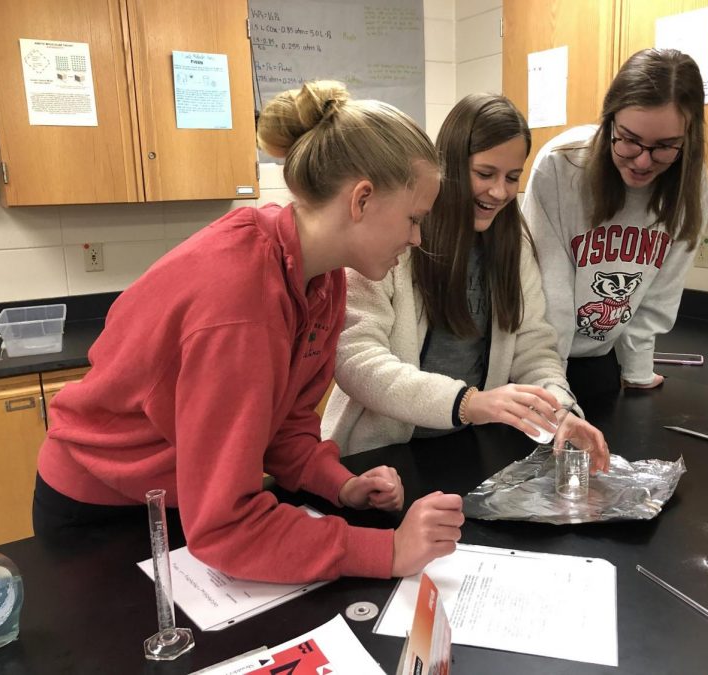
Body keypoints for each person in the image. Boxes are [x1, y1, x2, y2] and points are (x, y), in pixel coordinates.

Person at [33, 80, 465, 584]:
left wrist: (338, 484)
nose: (416, 238)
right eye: (414, 219)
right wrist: (388, 551)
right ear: (361, 199)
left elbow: (284, 421)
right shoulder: (239, 301)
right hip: (104, 511)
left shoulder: (320, 276)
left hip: (184, 498)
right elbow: (225, 527)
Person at [322, 92, 609, 471]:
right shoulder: (394, 234)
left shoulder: (513, 242)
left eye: (512, 177)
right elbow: (359, 361)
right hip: (379, 457)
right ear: (452, 164)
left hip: (464, 446)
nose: (499, 192)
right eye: (485, 174)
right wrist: (467, 402)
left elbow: (534, 347)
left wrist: (560, 411)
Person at [522, 48, 708, 402]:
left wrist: (638, 371)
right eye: (628, 139)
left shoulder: (691, 182)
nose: (642, 160)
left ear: (688, 139)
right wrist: (552, 387)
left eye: (664, 147)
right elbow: (551, 288)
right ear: (609, 119)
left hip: (600, 358)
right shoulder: (561, 166)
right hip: (539, 359)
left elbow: (661, 290)